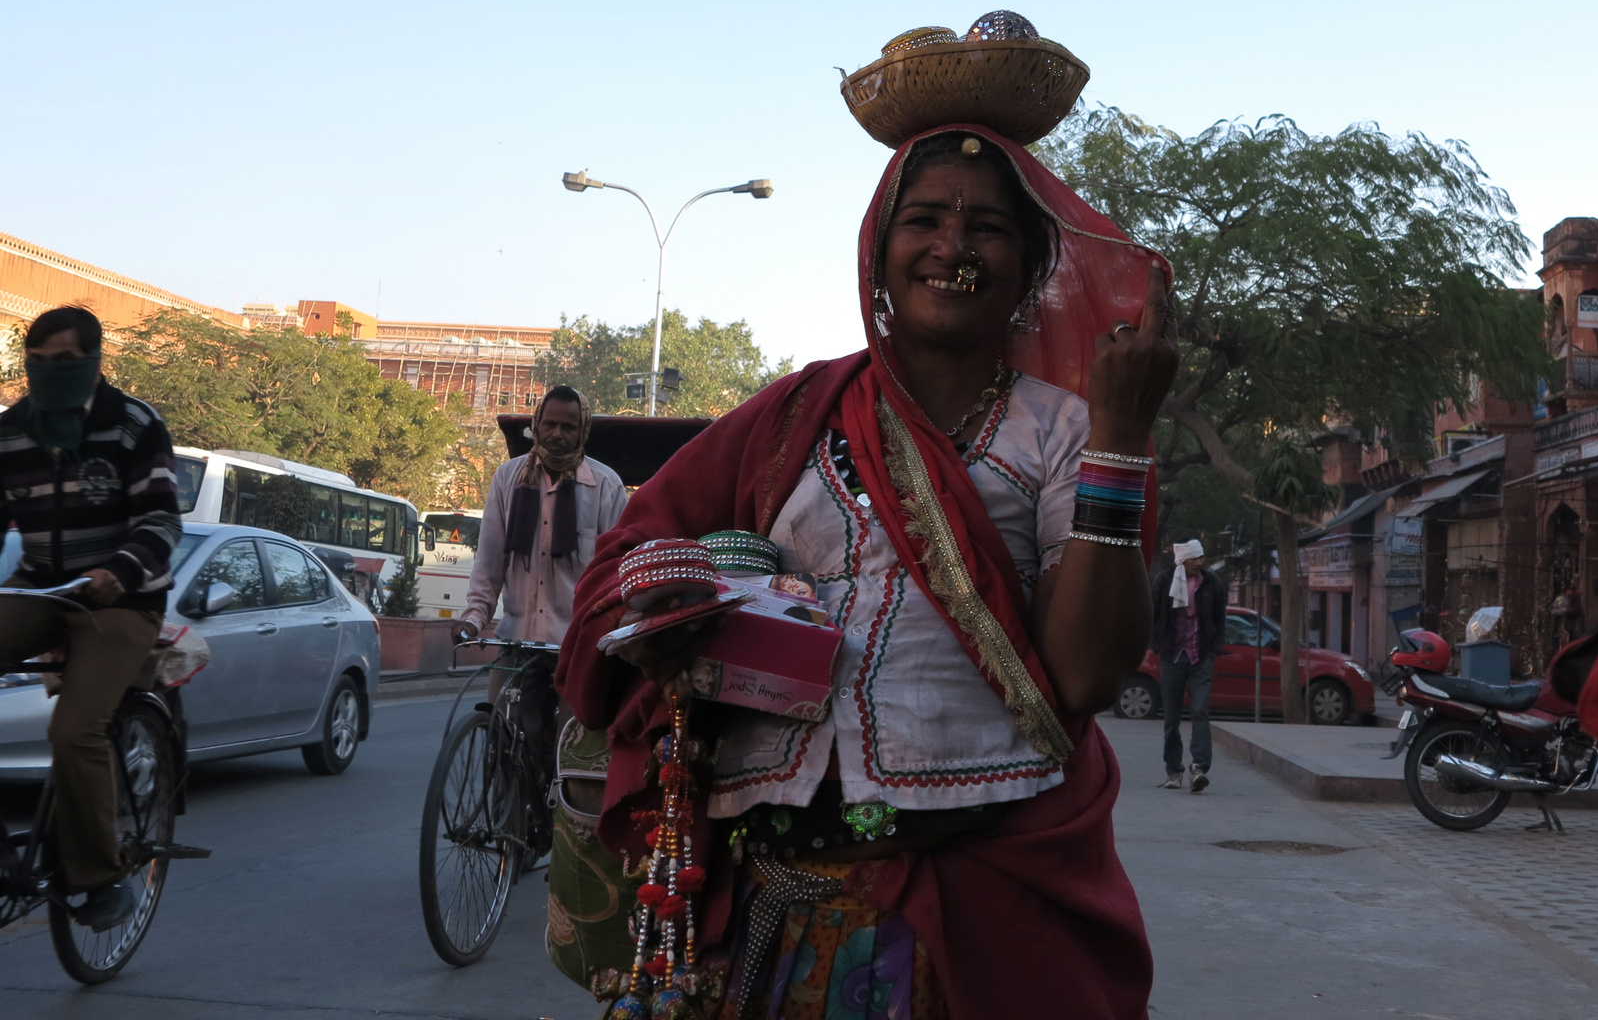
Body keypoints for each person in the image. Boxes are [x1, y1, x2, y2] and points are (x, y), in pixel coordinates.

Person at [557, 125, 1178, 1018]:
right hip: (774, 888)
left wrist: (1120, 437)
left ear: (1032, 260)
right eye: (922, 219)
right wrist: (668, 593)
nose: (952, 247)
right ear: (878, 252)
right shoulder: (793, 414)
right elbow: (636, 544)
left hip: (983, 884)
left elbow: (1084, 673)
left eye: (988, 228)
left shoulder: (1063, 430)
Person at [0, 306, 180, 930]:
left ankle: (102, 880)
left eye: (64, 363)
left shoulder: (133, 425)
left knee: (74, 730)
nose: (49, 374)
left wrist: (120, 571)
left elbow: (161, 521)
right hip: (40, 587)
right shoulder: (11, 431)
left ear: (95, 363)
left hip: (122, 599)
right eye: (38, 363)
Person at [455, 385, 627, 653]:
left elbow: (615, 571)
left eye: (568, 427)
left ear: (582, 431)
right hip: (514, 641)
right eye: (550, 424)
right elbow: (489, 563)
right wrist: (472, 621)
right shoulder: (506, 479)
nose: (556, 434)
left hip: (577, 647)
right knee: (494, 697)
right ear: (537, 424)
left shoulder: (606, 486)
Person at [1148, 539, 1226, 793]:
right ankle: (1174, 771)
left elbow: (1219, 619)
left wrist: (1213, 651)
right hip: (1172, 657)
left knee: (1200, 711)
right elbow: (1153, 615)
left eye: (1202, 558)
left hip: (1200, 657)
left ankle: (1199, 769)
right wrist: (1157, 646)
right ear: (1183, 560)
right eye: (1196, 559)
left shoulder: (1211, 583)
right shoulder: (1164, 580)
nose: (1201, 563)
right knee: (1171, 717)